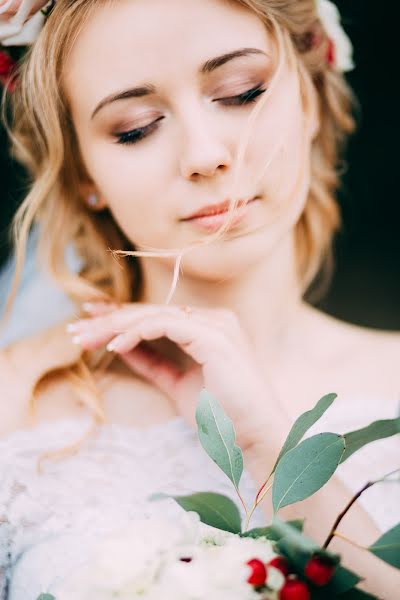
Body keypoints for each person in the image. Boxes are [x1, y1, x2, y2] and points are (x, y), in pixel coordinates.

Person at [0, 0, 399, 598]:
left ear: (310, 100)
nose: (205, 155)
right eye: (134, 127)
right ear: (83, 173)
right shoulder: (13, 406)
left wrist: (270, 449)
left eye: (240, 92)